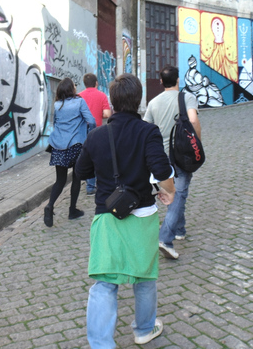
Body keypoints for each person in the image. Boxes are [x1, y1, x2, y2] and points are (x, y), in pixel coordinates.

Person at [76, 73, 176, 348]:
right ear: (138, 100)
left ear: (113, 101)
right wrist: (170, 191)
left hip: (107, 217)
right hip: (142, 215)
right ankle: (144, 329)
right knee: (144, 278)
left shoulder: (97, 135)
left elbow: (83, 171)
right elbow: (162, 170)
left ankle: (101, 344)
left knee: (105, 282)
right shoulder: (148, 132)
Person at [143, 65, 201, 260]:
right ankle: (165, 238)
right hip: (182, 155)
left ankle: (180, 229)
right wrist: (196, 144)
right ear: (178, 80)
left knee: (174, 193)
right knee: (178, 195)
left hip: (160, 157)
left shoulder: (153, 103)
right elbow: (193, 120)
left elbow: (146, 128)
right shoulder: (187, 98)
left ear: (161, 82)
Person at [45, 77, 96, 227]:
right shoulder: (79, 102)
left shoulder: (57, 104)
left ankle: (50, 205)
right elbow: (91, 121)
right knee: (76, 178)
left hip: (58, 146)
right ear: (71, 89)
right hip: (76, 145)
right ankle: (72, 210)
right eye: (74, 86)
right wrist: (89, 135)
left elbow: (55, 123)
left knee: (60, 180)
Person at [78, 73, 112, 195]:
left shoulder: (79, 96)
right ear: (96, 83)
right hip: (97, 131)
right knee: (97, 157)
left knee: (86, 156)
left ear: (84, 83)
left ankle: (89, 185)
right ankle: (94, 184)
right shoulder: (102, 95)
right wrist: (98, 114)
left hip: (81, 131)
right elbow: (107, 114)